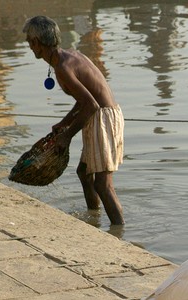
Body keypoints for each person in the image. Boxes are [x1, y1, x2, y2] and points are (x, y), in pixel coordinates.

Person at [23, 16, 125, 225]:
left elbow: (91, 105)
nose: (29, 46)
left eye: (29, 41)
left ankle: (119, 231)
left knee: (103, 184)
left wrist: (66, 137)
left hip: (102, 117)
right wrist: (64, 122)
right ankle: (94, 219)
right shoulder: (67, 57)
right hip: (102, 115)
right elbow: (84, 100)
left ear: (37, 42)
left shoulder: (63, 67)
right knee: (83, 172)